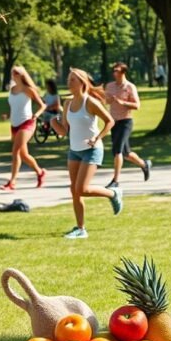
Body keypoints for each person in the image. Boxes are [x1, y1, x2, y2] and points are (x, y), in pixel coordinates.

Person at [50, 69, 123, 239]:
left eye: (73, 80)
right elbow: (63, 131)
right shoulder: (67, 103)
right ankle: (80, 229)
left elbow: (110, 121)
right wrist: (53, 122)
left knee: (81, 189)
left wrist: (98, 137)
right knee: (74, 190)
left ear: (82, 82)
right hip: (74, 151)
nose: (69, 83)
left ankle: (113, 193)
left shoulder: (90, 102)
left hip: (92, 150)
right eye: (68, 79)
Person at [104, 62, 151, 188]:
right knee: (126, 153)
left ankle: (115, 180)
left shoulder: (130, 87)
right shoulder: (109, 86)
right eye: (114, 71)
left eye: (117, 71)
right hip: (113, 122)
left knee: (117, 150)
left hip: (125, 122)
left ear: (123, 72)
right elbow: (105, 100)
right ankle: (144, 164)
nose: (115, 73)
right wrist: (108, 99)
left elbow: (137, 105)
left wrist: (122, 102)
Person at [1, 66, 46, 191]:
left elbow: (42, 105)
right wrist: (8, 115)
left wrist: (36, 115)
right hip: (14, 124)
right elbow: (14, 107)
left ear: (22, 75)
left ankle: (12, 182)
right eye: (12, 73)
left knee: (15, 151)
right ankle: (40, 172)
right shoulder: (12, 90)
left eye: (16, 73)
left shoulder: (28, 90)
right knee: (24, 155)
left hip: (27, 123)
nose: (13, 75)